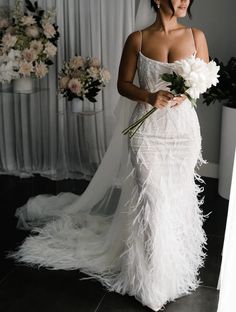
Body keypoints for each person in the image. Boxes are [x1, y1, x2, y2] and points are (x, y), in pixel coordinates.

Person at [9, 1, 209, 311]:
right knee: (151, 199)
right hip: (146, 133)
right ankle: (150, 279)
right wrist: (150, 96)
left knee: (176, 198)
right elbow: (123, 85)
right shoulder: (138, 39)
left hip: (182, 133)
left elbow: (204, 83)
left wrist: (189, 90)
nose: (185, 1)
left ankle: (176, 268)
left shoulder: (196, 36)